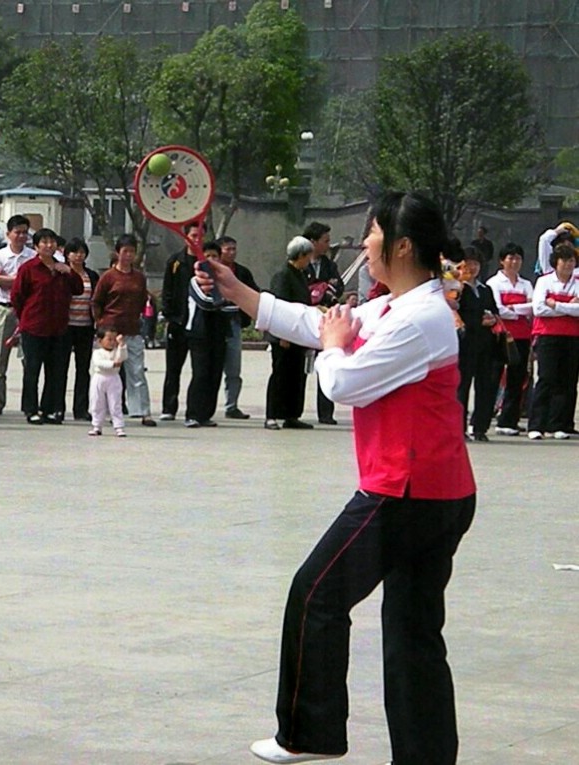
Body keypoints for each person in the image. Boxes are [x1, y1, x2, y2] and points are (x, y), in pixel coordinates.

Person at [200, 190, 476, 765]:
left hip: (403, 490)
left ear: (402, 245)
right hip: (436, 491)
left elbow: (343, 383)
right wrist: (239, 292)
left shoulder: (421, 318)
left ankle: (307, 733)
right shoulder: (396, 305)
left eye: (373, 234)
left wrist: (331, 348)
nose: (365, 244)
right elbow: (317, 320)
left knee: (316, 593)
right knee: (412, 637)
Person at [10, 228, 83, 424]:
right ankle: (31, 409)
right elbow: (17, 296)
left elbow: (78, 289)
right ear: (36, 246)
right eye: (44, 242)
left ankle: (50, 408)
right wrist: (24, 317)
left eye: (52, 242)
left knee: (56, 371)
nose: (49, 245)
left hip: (59, 328)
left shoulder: (62, 269)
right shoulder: (28, 268)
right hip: (34, 327)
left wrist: (70, 271)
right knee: (32, 369)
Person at [91, 233, 157, 427]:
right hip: (111, 331)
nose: (128, 255)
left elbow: (143, 301)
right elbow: (96, 302)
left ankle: (143, 412)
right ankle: (110, 411)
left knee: (137, 371)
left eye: (132, 252)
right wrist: (101, 325)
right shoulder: (108, 277)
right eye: (125, 251)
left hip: (132, 330)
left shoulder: (139, 277)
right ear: (117, 252)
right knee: (110, 373)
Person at [527, 241, 579, 440]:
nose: (568, 265)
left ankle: (558, 424)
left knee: (567, 380)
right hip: (548, 335)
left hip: (572, 337)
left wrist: (556, 304)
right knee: (546, 378)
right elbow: (539, 308)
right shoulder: (544, 281)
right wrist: (568, 307)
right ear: (555, 263)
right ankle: (536, 424)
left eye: (571, 261)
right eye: (564, 261)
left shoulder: (577, 283)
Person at [264, 236, 314, 430]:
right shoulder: (283, 275)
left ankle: (291, 414)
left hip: (298, 334)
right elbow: (281, 306)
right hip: (284, 335)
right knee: (280, 375)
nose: (309, 260)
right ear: (300, 255)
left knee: (296, 376)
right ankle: (272, 415)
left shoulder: (300, 274)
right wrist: (282, 334)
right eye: (307, 256)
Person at [182, 240, 234, 427]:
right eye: (208, 256)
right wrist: (223, 302)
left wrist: (225, 302)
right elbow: (204, 302)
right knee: (201, 373)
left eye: (215, 256)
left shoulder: (224, 281)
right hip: (199, 333)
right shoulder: (195, 281)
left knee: (215, 373)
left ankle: (206, 414)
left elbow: (234, 307)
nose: (212, 260)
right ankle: (193, 414)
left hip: (218, 333)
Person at [0, 214, 35, 415]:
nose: (21, 236)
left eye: (25, 232)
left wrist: (11, 280)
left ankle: (29, 404)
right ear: (8, 234)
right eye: (18, 232)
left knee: (29, 360)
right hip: (5, 309)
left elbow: (33, 284)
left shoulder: (33, 256)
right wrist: (19, 280)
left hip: (26, 311)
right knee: (0, 360)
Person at [487, 243, 533, 436]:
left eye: (518, 259)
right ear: (502, 261)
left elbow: (534, 307)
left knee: (517, 378)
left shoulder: (526, 284)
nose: (514, 262)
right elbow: (499, 309)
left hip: (522, 336)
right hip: (500, 334)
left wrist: (513, 309)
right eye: (510, 258)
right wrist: (518, 310)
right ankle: (484, 416)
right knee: (493, 377)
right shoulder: (494, 283)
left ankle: (509, 420)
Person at [455, 246, 499, 441]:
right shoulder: (457, 289)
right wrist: (477, 322)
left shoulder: (485, 289)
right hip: (465, 344)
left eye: (476, 264)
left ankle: (480, 427)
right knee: (462, 387)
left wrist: (493, 319)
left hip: (486, 345)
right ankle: (459, 427)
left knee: (486, 386)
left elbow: (494, 310)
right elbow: (455, 314)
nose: (472, 268)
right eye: (468, 263)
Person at [159, 222, 201, 420]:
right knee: (173, 368)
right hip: (178, 323)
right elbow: (167, 291)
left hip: (200, 325)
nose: (197, 239)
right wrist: (170, 317)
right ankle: (169, 408)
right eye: (193, 235)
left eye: (201, 235)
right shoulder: (175, 262)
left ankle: (195, 411)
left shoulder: (206, 262)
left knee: (199, 370)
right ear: (186, 237)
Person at [304, 221, 344, 424]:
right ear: (313, 242)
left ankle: (326, 412)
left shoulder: (330, 265)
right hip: (303, 317)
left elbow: (338, 286)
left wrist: (327, 291)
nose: (328, 244)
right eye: (325, 240)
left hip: (324, 319)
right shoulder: (299, 262)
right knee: (297, 368)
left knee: (325, 364)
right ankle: (291, 412)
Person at [219, 235, 259, 419]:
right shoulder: (211, 271)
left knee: (234, 369)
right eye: (228, 249)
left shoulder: (242, 272)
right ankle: (205, 406)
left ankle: (231, 405)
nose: (232, 253)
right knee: (210, 369)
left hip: (234, 322)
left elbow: (254, 293)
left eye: (234, 249)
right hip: (215, 322)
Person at [63, 237, 100, 421]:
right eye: (74, 251)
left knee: (83, 369)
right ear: (67, 254)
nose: (78, 255)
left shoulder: (91, 275)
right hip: (65, 326)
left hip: (85, 326)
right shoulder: (62, 273)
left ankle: (81, 408)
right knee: (60, 368)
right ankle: (57, 407)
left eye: (82, 252)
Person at [88, 327, 127, 437]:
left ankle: (119, 426)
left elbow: (123, 357)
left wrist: (121, 345)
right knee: (97, 402)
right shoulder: (97, 353)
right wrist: (112, 364)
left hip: (113, 378)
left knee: (115, 403)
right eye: (109, 339)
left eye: (114, 339)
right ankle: (97, 426)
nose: (112, 342)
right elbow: (99, 363)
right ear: (100, 341)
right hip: (99, 377)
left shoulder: (117, 351)